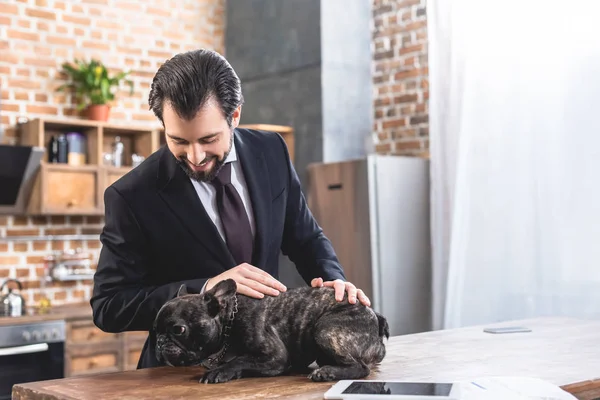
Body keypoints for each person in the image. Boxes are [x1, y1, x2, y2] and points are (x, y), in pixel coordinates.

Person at [90, 49, 371, 369]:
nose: (195, 156)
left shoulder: (272, 151)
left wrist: (334, 285)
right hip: (179, 375)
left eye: (208, 139)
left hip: (266, 364)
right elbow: (109, 307)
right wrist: (204, 289)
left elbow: (306, 239)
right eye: (178, 141)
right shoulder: (131, 196)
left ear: (234, 115)